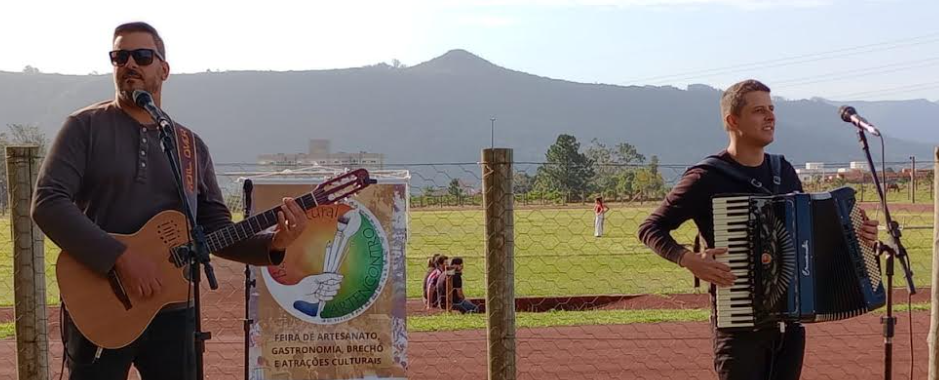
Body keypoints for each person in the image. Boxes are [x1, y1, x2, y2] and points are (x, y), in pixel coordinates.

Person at [30, 22, 310, 380]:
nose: (130, 64)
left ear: (163, 69)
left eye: (142, 56)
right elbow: (48, 202)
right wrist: (121, 258)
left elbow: (214, 231)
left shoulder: (190, 146)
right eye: (120, 57)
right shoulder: (83, 127)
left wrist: (275, 243)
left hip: (175, 310)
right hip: (104, 304)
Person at [637, 79, 879, 380]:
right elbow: (650, 227)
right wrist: (688, 259)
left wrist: (856, 235)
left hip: (791, 326)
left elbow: (808, 237)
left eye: (772, 109)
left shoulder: (784, 172)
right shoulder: (706, 177)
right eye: (759, 110)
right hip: (739, 328)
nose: (770, 116)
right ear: (732, 120)